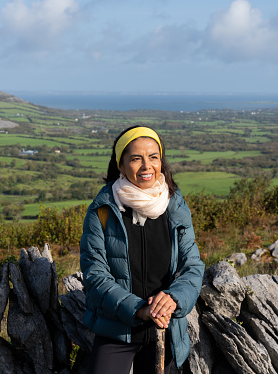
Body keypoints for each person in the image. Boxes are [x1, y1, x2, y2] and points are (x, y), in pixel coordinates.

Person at [80, 126, 204, 374]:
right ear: (121, 166)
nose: (147, 166)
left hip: (165, 327)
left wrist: (173, 298)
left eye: (153, 157)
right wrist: (140, 309)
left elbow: (192, 266)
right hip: (117, 327)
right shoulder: (103, 210)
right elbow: (95, 275)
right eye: (136, 158)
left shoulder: (174, 205)